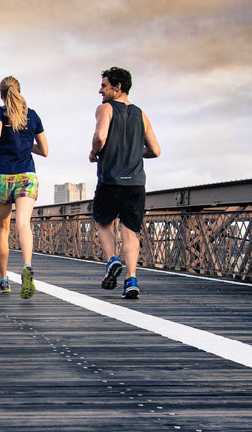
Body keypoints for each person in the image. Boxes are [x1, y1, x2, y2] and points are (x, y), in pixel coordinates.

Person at [0, 76, 48, 298]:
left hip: (2, 175)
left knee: (2, 228)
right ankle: (26, 267)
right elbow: (44, 150)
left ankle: (4, 279)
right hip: (26, 174)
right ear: (19, 90)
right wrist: (26, 144)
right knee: (23, 224)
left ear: (1, 94)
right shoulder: (32, 115)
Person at [89, 67, 160, 299]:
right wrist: (135, 154)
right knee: (130, 233)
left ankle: (112, 261)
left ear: (117, 88)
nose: (100, 90)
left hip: (110, 180)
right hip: (136, 184)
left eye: (104, 86)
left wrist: (94, 153)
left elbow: (100, 137)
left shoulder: (106, 108)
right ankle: (131, 280)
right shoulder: (141, 114)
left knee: (103, 222)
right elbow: (156, 150)